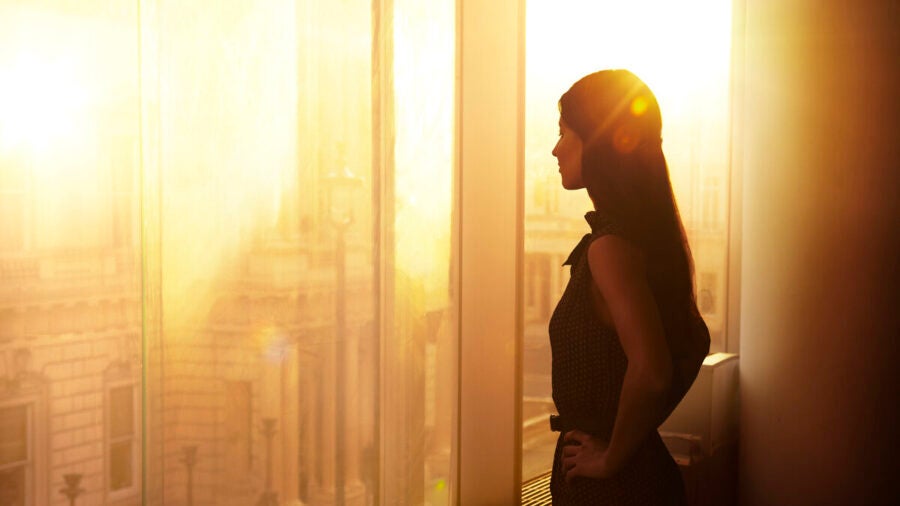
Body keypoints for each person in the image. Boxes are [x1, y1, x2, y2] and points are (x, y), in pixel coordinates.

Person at [548, 69, 710, 504]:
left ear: (597, 142)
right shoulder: (639, 242)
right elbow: (689, 345)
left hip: (614, 489)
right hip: (634, 476)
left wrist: (610, 458)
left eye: (564, 133)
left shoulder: (609, 250)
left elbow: (652, 371)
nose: (555, 149)